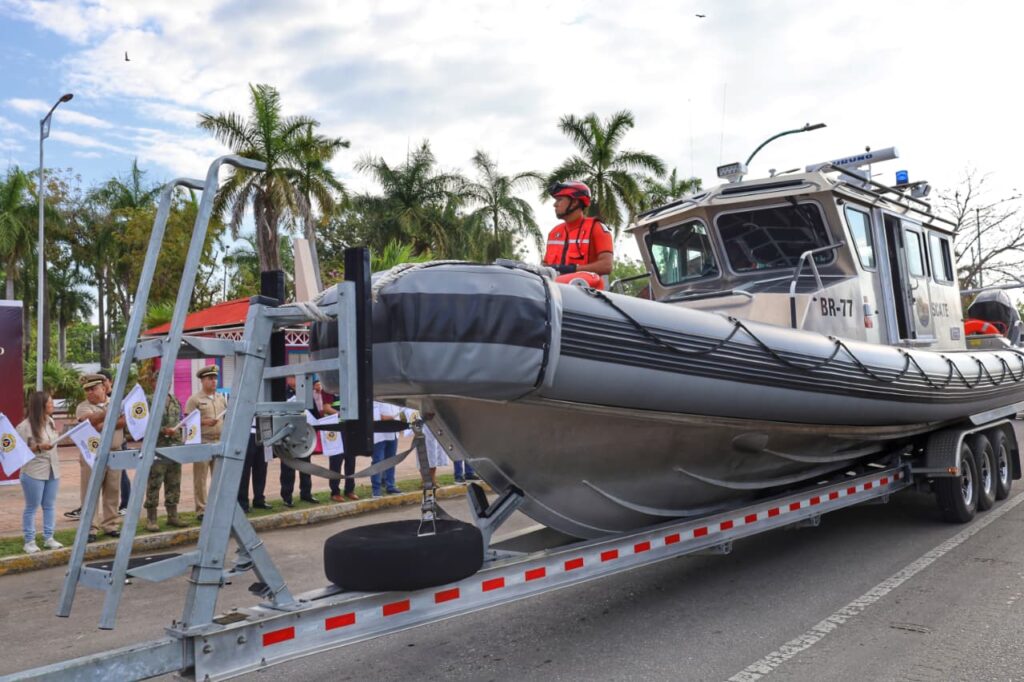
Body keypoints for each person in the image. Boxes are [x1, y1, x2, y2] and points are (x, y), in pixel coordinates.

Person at [74, 373, 123, 540]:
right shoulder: (83, 406)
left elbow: (125, 421)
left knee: (113, 491)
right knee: (90, 492)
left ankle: (111, 525)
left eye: (93, 389)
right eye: (87, 390)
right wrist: (111, 413)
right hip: (92, 456)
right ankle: (90, 529)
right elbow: (89, 422)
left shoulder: (116, 402)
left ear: (103, 388)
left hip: (115, 453)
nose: (89, 393)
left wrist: (104, 423)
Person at [16, 391, 62, 553]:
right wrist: (38, 447)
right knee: (32, 506)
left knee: (49, 505)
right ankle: (29, 541)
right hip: (33, 472)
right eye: (50, 402)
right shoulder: (24, 427)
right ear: (41, 405)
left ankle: (49, 538)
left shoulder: (50, 421)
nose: (52, 404)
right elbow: (18, 451)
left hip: (52, 470)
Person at [542, 181, 614, 279]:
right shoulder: (554, 232)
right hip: (554, 287)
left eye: (559, 200)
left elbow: (606, 266)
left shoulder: (596, 228)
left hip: (585, 288)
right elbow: (545, 265)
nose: (555, 204)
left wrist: (572, 269)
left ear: (575, 202)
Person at [143, 378, 188, 531]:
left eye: (168, 381)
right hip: (157, 446)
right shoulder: (149, 401)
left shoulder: (175, 400)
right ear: (153, 383)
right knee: (155, 482)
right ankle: (151, 519)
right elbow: (145, 423)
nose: (165, 384)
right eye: (161, 381)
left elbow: (179, 420)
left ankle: (172, 516)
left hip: (174, 446)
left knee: (174, 481)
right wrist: (163, 430)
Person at [185, 365, 227, 519]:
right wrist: (204, 422)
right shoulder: (195, 399)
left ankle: (218, 507)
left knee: (218, 477)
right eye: (210, 378)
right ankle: (201, 510)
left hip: (219, 441)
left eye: (215, 378)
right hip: (203, 441)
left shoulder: (221, 398)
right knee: (200, 478)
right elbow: (187, 421)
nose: (214, 381)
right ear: (202, 381)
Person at [279, 375, 317, 506]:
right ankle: (287, 497)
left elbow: (314, 412)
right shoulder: (282, 393)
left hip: (304, 435)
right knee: (288, 468)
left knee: (305, 466)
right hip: (288, 436)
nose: (295, 379)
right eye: (292, 377)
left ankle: (306, 493)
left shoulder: (305, 393)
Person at [98, 368, 131, 516]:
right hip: (100, 443)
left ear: (110, 382)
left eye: (104, 381)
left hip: (118, 441)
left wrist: (106, 424)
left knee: (121, 474)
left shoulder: (119, 398)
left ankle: (126, 504)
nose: (102, 384)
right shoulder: (99, 400)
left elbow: (124, 420)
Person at [320, 382, 359, 502]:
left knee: (350, 459)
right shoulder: (328, 388)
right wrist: (342, 414)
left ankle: (349, 490)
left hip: (349, 428)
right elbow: (326, 408)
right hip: (335, 429)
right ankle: (335, 492)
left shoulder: (349, 387)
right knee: (336, 461)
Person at [370, 401, 402, 498]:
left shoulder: (393, 398)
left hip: (392, 433)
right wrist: (394, 417)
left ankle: (390, 486)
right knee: (378, 461)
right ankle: (376, 489)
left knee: (391, 460)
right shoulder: (375, 398)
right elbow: (378, 417)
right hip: (379, 434)